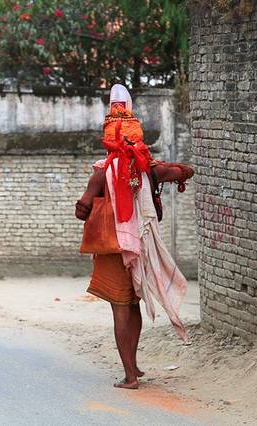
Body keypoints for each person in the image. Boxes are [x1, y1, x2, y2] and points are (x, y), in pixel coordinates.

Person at [75, 84, 194, 390]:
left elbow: (82, 210)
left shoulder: (101, 173)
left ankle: (129, 375)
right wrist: (166, 171)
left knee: (119, 308)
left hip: (112, 250)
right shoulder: (149, 170)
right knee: (133, 304)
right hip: (139, 247)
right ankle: (135, 366)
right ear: (137, 137)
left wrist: (98, 205)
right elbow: (185, 172)